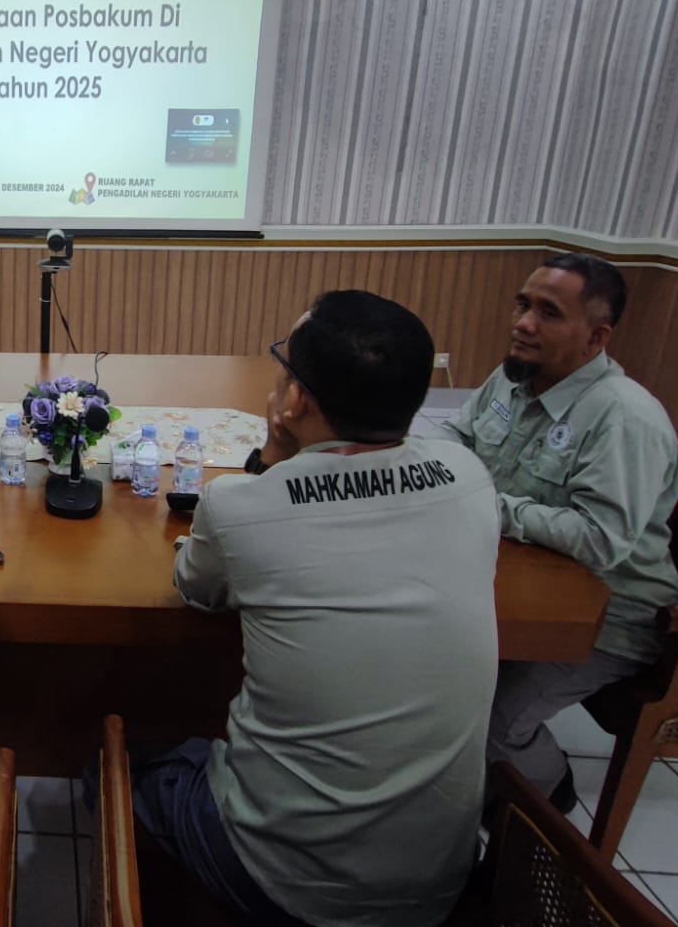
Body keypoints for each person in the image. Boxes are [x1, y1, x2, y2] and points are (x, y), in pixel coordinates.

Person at [150, 291, 500, 927]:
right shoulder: (470, 474)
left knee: (123, 758)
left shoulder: (239, 506)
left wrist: (270, 461)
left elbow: (197, 590)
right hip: (441, 884)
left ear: (294, 401)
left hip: (285, 885)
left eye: (285, 365)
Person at [442, 254, 678, 812]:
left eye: (548, 313)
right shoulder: (512, 378)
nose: (523, 323)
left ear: (596, 337)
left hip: (608, 619)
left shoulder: (624, 419)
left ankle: (547, 805)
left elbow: (602, 539)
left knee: (498, 726)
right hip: (512, 583)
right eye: (523, 304)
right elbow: (456, 434)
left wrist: (487, 504)